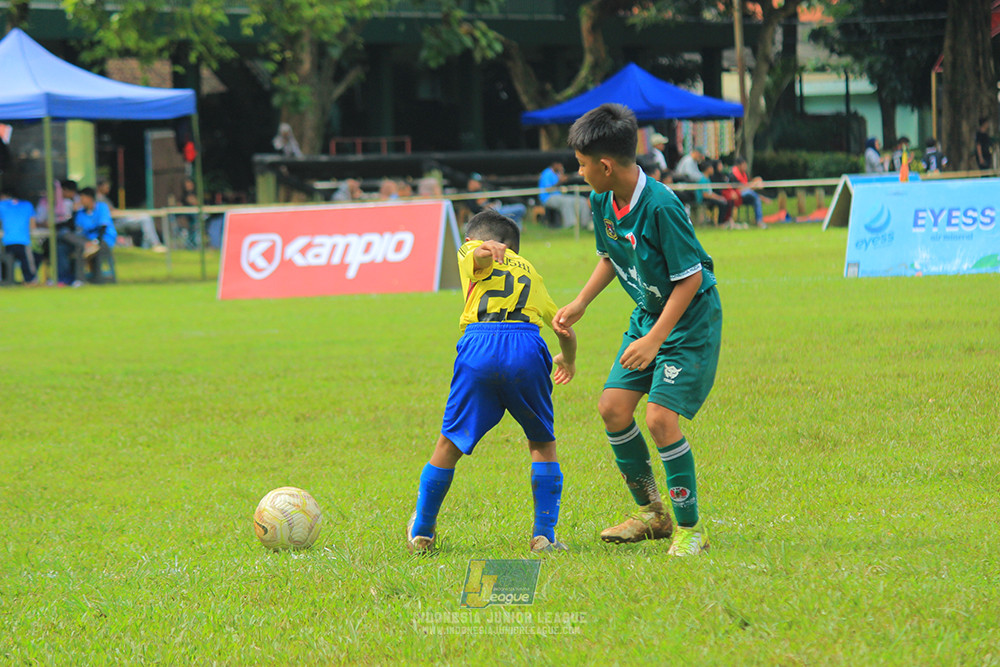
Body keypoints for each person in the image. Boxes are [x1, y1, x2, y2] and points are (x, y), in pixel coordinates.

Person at [553, 103, 721, 557]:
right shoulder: (602, 200)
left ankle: (690, 529)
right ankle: (652, 514)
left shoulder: (662, 205)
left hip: (688, 322)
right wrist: (581, 302)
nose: (580, 173)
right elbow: (612, 255)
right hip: (649, 315)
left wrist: (655, 340)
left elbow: (690, 278)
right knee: (612, 408)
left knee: (660, 419)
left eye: (582, 165)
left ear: (606, 166)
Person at [406, 209, 578, 555]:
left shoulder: (471, 249)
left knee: (448, 444)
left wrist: (485, 249)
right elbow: (563, 327)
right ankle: (544, 536)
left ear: (472, 238)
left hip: (479, 345)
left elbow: (479, 256)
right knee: (542, 442)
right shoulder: (531, 272)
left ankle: (422, 531)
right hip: (527, 346)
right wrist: (568, 359)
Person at [97, 178, 165, 251]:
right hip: (115, 223)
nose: (108, 188)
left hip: (119, 220)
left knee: (145, 218)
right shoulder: (99, 198)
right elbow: (111, 212)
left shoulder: (103, 198)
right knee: (145, 218)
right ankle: (155, 244)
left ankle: (147, 246)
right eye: (106, 186)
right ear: (100, 186)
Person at [75, 187, 117, 279]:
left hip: (104, 239)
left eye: (82, 198)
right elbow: (79, 230)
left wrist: (97, 242)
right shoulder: (80, 213)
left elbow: (103, 226)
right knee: (79, 249)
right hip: (88, 240)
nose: (80, 201)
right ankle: (80, 279)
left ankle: (100, 278)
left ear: (90, 198)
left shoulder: (102, 207)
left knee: (99, 250)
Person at [0, 190, 38, 285]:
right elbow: (33, 225)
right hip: (23, 240)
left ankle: (6, 281)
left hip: (7, 241)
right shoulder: (27, 205)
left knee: (7, 264)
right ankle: (30, 281)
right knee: (27, 264)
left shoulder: (2, 205)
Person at [537, 161, 590, 229]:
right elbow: (548, 190)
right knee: (566, 202)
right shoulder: (547, 173)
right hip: (547, 198)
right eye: (559, 165)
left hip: (560, 196)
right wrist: (560, 181)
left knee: (581, 200)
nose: (561, 166)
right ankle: (570, 225)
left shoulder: (557, 174)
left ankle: (585, 224)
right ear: (554, 164)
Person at [730, 156, 770, 229]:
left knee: (756, 199)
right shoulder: (733, 175)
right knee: (751, 193)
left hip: (745, 196)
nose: (745, 166)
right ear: (739, 165)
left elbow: (747, 186)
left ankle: (759, 221)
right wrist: (754, 184)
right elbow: (740, 189)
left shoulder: (744, 174)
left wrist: (756, 183)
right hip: (736, 197)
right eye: (744, 164)